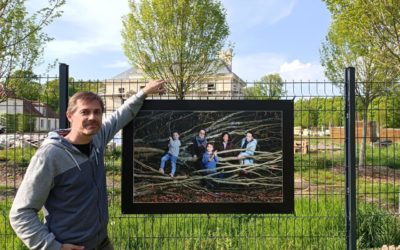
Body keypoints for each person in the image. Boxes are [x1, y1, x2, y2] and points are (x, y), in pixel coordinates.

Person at [9, 80, 165, 250]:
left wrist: (144, 92)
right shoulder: (50, 156)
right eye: (85, 112)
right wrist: (54, 247)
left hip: (102, 243)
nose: (92, 117)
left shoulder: (96, 141)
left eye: (97, 112)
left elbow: (121, 115)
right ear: (70, 116)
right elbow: (21, 213)